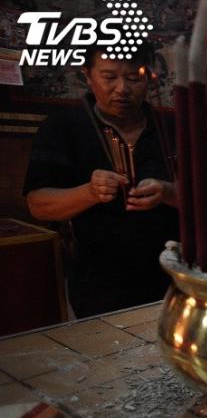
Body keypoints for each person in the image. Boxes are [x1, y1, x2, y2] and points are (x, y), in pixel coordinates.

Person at [23, 45, 179, 318]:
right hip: (98, 282)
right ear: (88, 76)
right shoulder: (63, 128)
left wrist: (168, 192)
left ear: (149, 78)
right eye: (109, 77)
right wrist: (89, 192)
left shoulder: (174, 127)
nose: (122, 88)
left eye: (133, 78)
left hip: (173, 275)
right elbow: (38, 205)